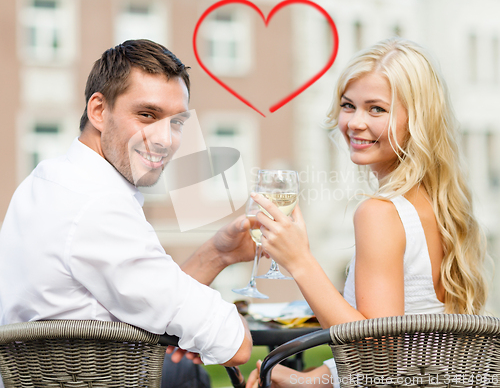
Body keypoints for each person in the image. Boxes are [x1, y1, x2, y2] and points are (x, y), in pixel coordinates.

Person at [0, 39, 254, 388]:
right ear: (99, 111)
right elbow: (235, 345)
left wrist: (218, 252)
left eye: (177, 122)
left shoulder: (46, 180)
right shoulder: (98, 205)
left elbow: (144, 295)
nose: (165, 139)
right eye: (147, 115)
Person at [246, 37, 490, 387]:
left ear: (417, 120)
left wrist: (299, 260)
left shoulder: (380, 212)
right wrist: (307, 380)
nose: (355, 123)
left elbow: (376, 352)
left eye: (376, 109)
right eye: (348, 105)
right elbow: (408, 355)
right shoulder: (437, 204)